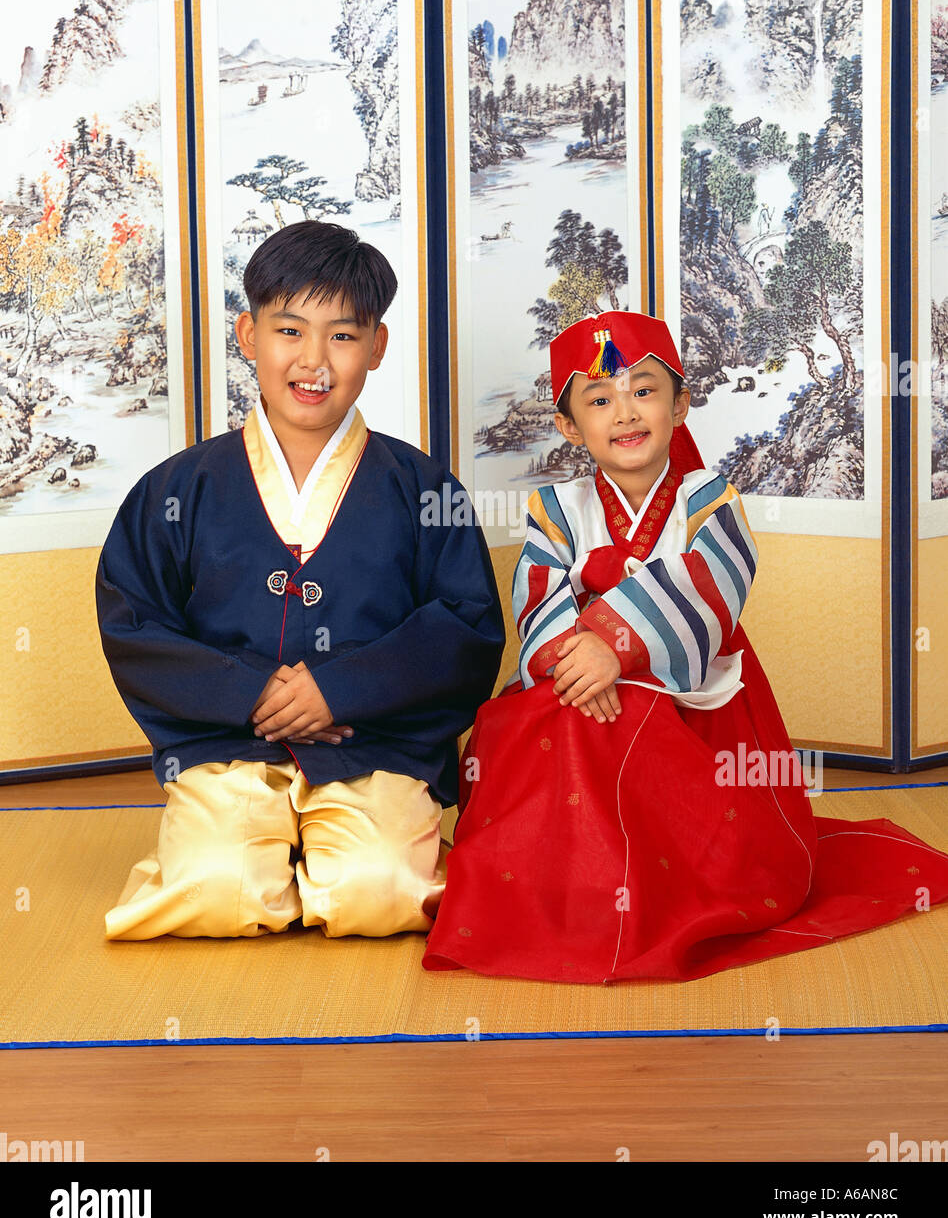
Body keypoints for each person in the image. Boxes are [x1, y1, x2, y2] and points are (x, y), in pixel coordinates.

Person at [423, 310, 948, 983]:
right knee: (524, 728)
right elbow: (538, 597)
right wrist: (578, 657)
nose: (626, 413)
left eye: (645, 391)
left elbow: (714, 582)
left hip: (692, 692)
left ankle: (654, 889)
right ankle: (567, 887)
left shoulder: (709, 496)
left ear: (680, 403)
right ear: (567, 425)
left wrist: (618, 643)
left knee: (630, 721)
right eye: (600, 399)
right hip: (578, 678)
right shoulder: (557, 508)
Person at [97, 221, 505, 941]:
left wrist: (339, 691)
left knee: (378, 891)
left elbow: (466, 625)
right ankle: (268, 854)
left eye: (343, 336)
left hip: (372, 747)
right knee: (217, 888)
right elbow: (134, 620)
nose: (314, 360)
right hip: (225, 747)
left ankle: (330, 857)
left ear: (377, 346)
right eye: (290, 330)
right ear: (248, 334)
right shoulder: (179, 487)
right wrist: (248, 693)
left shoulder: (422, 486)